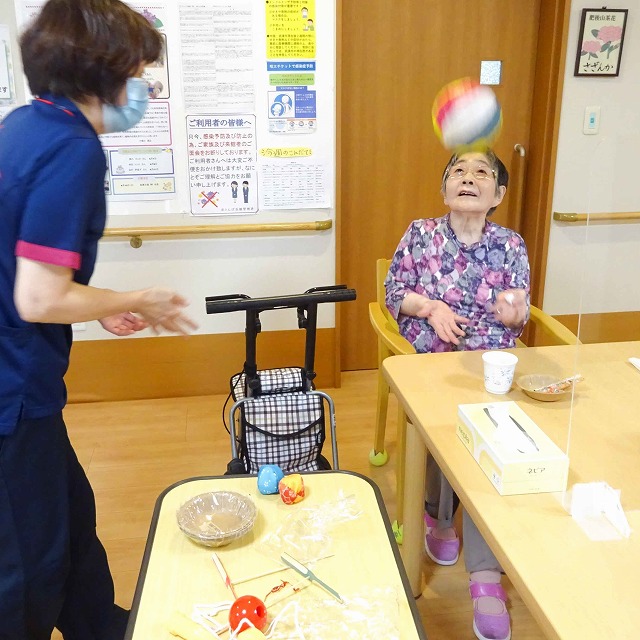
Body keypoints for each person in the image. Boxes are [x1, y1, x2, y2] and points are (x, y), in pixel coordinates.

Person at [0, 1, 197, 638]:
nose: (144, 88)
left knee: (71, 518)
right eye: (140, 72)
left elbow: (30, 268)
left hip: (23, 380)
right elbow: (37, 298)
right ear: (103, 70)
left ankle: (103, 627)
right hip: (12, 392)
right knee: (28, 560)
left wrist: (97, 304)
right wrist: (134, 299)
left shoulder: (25, 127)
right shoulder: (71, 150)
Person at [385, 150, 530, 640]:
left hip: (490, 370)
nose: (468, 178)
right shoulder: (420, 234)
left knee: (496, 450)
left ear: (498, 196)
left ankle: (486, 574)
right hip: (431, 365)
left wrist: (513, 312)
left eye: (482, 173)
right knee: (444, 433)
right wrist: (429, 307)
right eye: (458, 172)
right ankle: (438, 515)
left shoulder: (510, 244)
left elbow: (519, 310)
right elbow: (393, 292)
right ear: (445, 188)